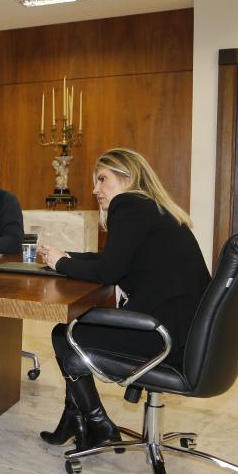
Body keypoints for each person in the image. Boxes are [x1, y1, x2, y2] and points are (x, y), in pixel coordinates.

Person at [38, 148, 210, 452]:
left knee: (64, 334)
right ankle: (74, 419)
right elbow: (114, 259)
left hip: (162, 336)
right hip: (189, 334)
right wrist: (67, 256)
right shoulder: (152, 208)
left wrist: (61, 264)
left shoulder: (128, 204)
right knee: (68, 332)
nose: (95, 189)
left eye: (102, 179)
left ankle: (98, 423)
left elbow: (109, 271)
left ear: (127, 178)